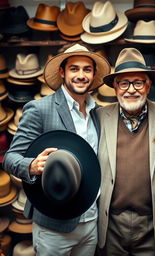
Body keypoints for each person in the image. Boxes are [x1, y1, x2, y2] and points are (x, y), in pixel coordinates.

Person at [3, 43, 111, 256]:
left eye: (87, 69)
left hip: (91, 221)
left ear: (94, 74)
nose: (81, 75)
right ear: (62, 72)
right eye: (74, 69)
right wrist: (31, 166)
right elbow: (10, 158)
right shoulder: (39, 109)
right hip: (53, 224)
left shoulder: (98, 113)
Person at [96, 48, 155, 256]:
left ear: (148, 85)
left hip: (151, 224)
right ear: (115, 87)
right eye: (124, 83)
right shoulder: (99, 117)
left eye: (138, 82)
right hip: (111, 224)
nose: (131, 89)